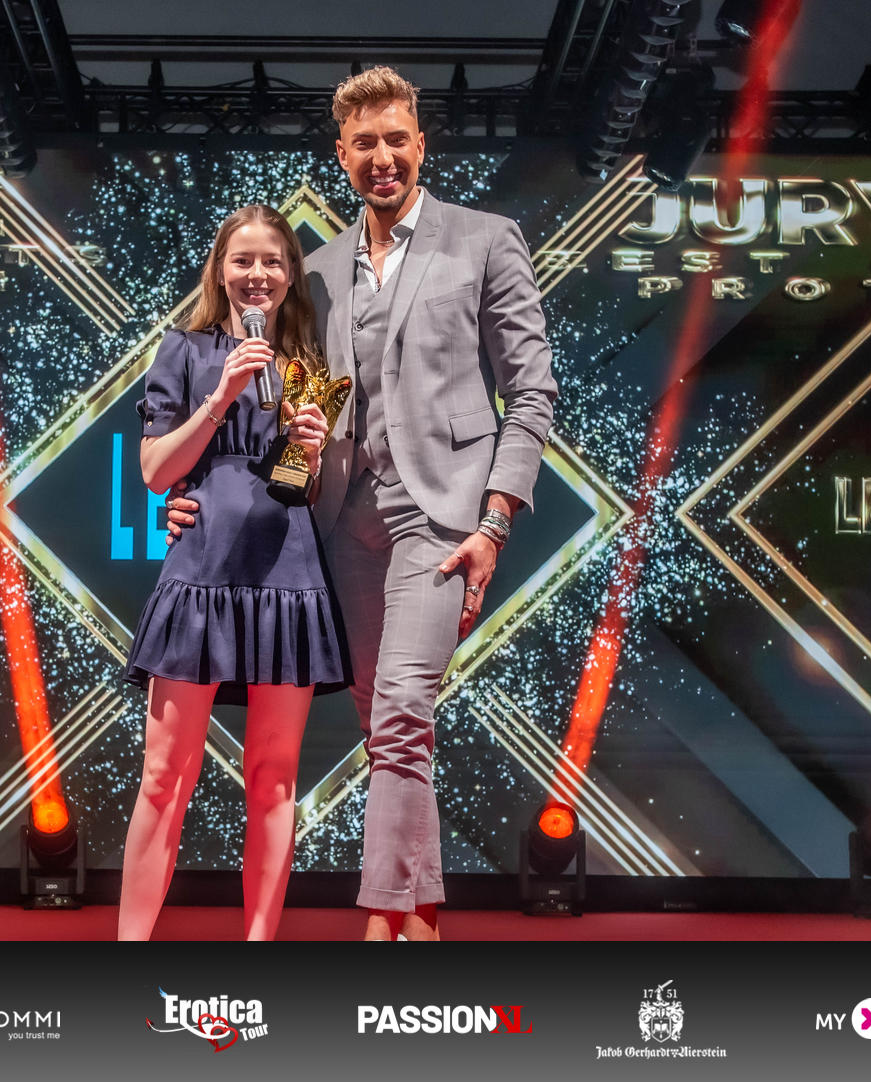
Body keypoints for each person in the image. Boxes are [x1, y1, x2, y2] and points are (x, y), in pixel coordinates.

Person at [166, 67, 557, 941]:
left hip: (441, 516)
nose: (383, 157)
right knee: (384, 725)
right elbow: (280, 407)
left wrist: (494, 522)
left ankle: (381, 917)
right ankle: (421, 915)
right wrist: (197, 494)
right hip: (339, 522)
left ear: (421, 145)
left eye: (397, 140)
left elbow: (531, 393)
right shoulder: (318, 269)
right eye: (365, 144)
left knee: (406, 706)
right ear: (341, 155)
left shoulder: (486, 240)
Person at [117, 204, 343, 941]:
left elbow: (303, 489)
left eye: (273, 261)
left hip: (288, 575)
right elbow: (157, 472)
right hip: (202, 570)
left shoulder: (308, 363)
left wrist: (310, 451)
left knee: (274, 778)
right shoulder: (183, 350)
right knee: (164, 776)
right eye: (243, 260)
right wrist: (219, 398)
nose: (258, 275)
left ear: (291, 275)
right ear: (220, 270)